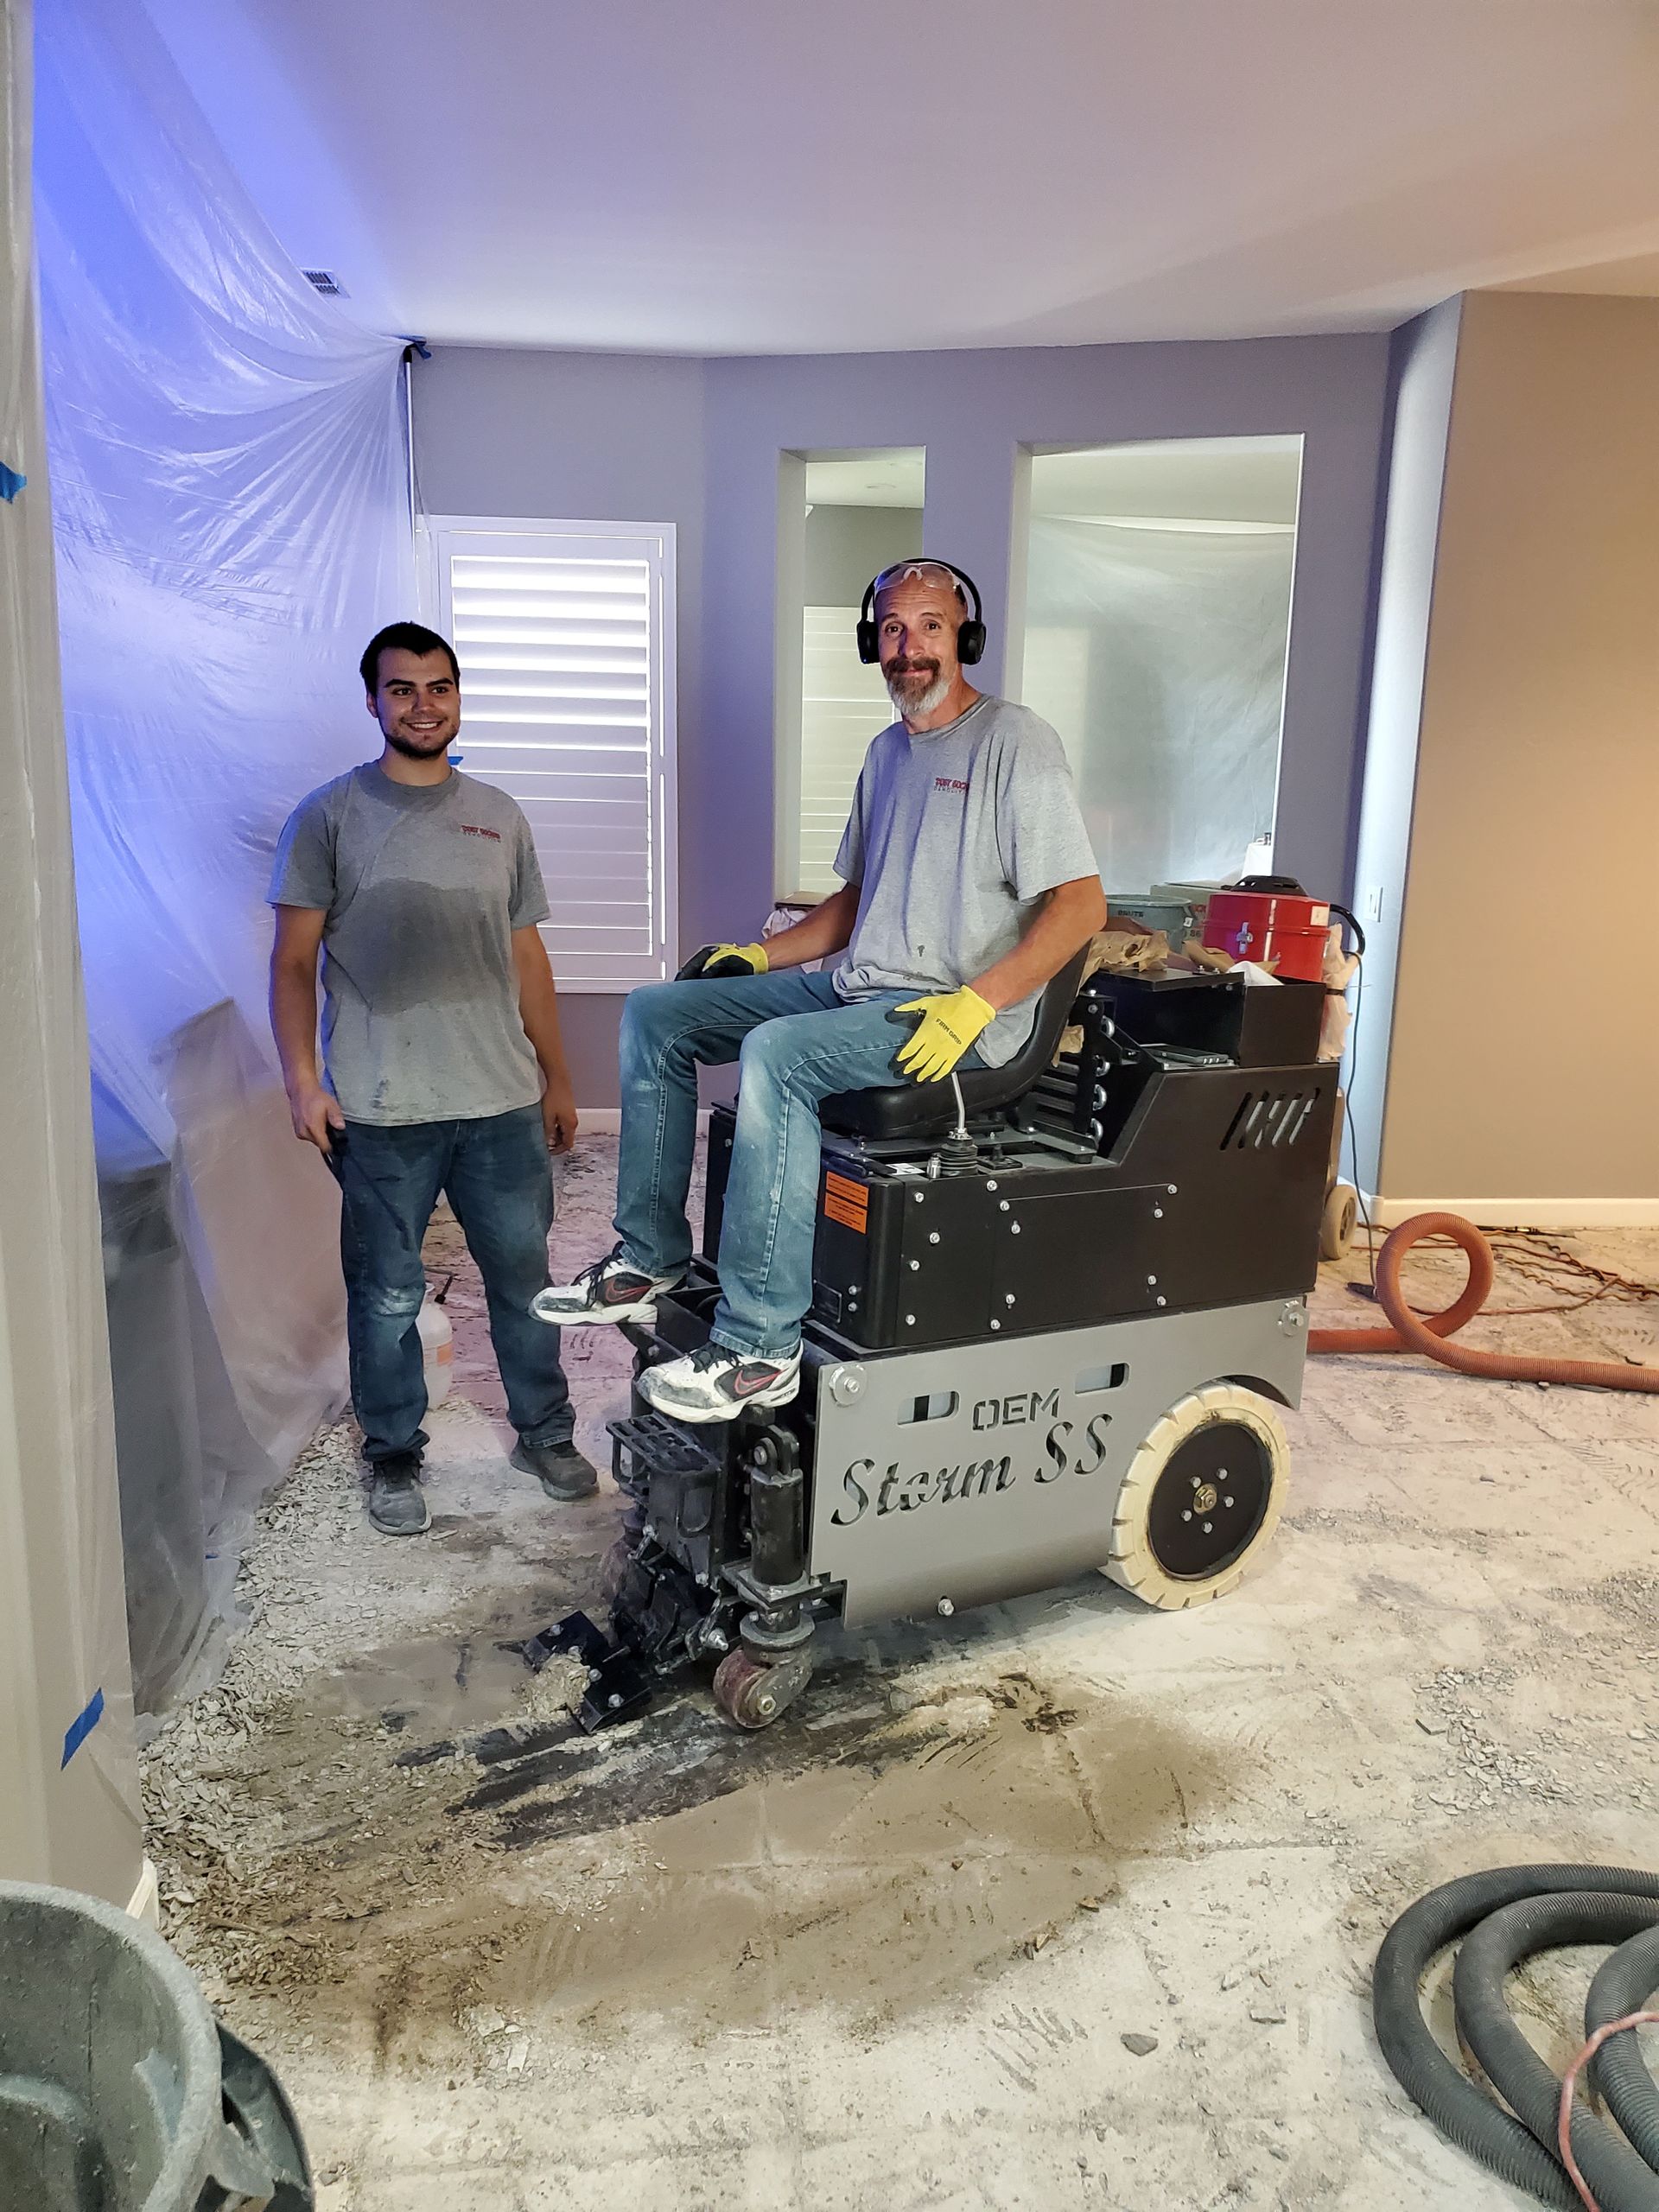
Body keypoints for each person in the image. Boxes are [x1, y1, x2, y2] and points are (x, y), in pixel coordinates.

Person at [536, 561, 1107, 1421]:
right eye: (891, 629)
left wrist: (980, 1001)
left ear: (965, 638)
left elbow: (1082, 905)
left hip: (946, 1018)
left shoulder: (1015, 743)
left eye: (929, 627)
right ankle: (647, 1256)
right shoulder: (886, 755)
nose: (907, 648)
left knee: (778, 1058)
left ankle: (760, 1347)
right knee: (657, 1014)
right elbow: (849, 905)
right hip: (856, 989)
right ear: (871, 643)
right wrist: (757, 958)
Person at [268, 620, 598, 1534]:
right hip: (382, 1106)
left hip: (498, 1101)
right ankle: (392, 1456)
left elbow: (527, 959)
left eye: (439, 687)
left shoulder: (499, 814)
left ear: (459, 697)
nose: (423, 704)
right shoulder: (328, 817)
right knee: (385, 1292)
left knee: (525, 1279)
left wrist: (557, 1078)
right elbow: (293, 963)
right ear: (372, 700)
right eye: (403, 689)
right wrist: (303, 1082)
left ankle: (544, 1431)